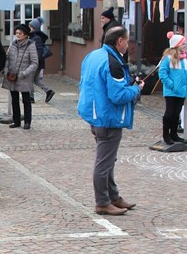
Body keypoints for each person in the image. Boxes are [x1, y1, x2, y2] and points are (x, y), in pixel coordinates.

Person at [77, 25, 143, 216]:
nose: (128, 45)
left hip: (95, 115)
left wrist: (128, 83)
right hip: (107, 118)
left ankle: (113, 196)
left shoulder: (93, 55)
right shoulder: (112, 61)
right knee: (104, 163)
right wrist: (137, 89)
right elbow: (118, 96)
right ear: (119, 42)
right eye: (127, 41)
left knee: (108, 160)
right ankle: (103, 202)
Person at [3, 22, 39, 129]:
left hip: (24, 77)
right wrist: (6, 70)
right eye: (16, 33)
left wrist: (24, 73)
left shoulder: (30, 45)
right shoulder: (13, 45)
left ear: (26, 35)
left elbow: (34, 63)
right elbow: (8, 58)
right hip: (12, 76)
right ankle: (16, 120)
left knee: (26, 100)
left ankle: (27, 121)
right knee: (14, 100)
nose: (17, 35)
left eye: (20, 33)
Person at [158, 32, 187, 148]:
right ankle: (166, 135)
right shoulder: (168, 58)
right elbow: (162, 73)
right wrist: (171, 84)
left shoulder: (184, 59)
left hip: (181, 91)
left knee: (176, 114)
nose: (185, 45)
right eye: (183, 44)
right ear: (176, 45)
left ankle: (174, 134)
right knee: (169, 113)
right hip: (171, 91)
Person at [28, 18, 55, 103]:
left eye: (30, 27)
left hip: (36, 63)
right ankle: (48, 91)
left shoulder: (36, 38)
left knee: (30, 79)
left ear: (33, 27)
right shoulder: (34, 37)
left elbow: (39, 51)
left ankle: (31, 97)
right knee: (36, 80)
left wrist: (34, 62)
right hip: (38, 62)